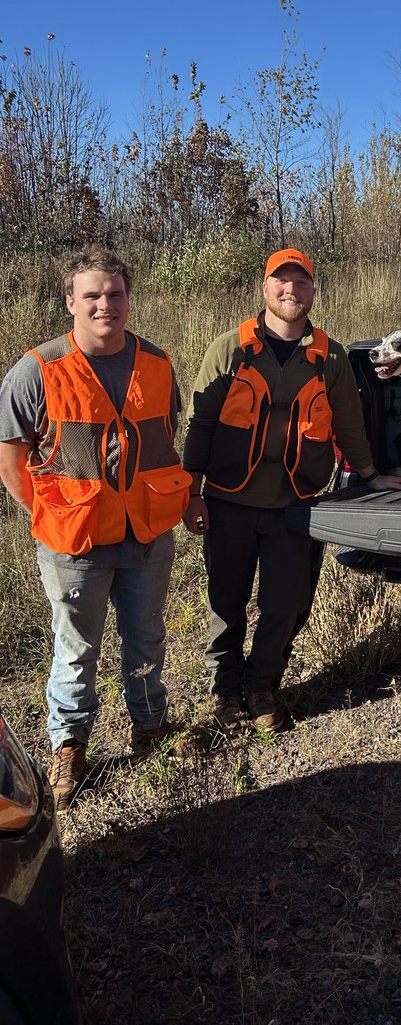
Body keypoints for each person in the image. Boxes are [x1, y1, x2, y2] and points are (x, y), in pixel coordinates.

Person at [182, 248, 401, 731]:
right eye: (281, 282)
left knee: (287, 604)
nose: (291, 291)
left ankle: (263, 686)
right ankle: (225, 693)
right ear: (265, 288)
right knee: (226, 602)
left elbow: (349, 424)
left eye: (301, 283)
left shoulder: (329, 355)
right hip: (228, 499)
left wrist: (370, 475)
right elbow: (199, 426)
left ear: (312, 291)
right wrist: (192, 491)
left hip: (295, 502)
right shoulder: (229, 348)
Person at [0, 249, 189, 809]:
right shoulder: (37, 369)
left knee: (147, 636)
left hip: (146, 533)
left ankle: (149, 726)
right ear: (70, 303)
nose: (105, 304)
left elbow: (163, 437)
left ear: (128, 299)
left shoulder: (158, 363)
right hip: (73, 541)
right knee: (75, 648)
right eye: (92, 295)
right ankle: (70, 745)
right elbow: (10, 460)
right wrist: (50, 514)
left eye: (115, 294)